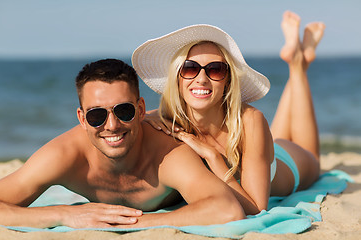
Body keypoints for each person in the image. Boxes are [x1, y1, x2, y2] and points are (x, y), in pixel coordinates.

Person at [0, 59, 244, 228]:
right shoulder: (64, 155)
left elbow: (227, 209)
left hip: (244, 163)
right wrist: (64, 214)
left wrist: (132, 224)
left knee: (281, 152)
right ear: (82, 119)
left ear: (140, 110)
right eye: (97, 115)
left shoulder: (168, 155)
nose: (112, 125)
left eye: (124, 111)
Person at [132, 11, 326, 215]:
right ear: (177, 78)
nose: (201, 78)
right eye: (190, 68)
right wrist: (145, 119)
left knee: (312, 156)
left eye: (215, 69)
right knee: (272, 136)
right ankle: (297, 60)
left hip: (289, 164)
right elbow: (132, 120)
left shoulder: (251, 120)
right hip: (259, 151)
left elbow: (257, 209)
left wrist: (213, 157)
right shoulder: (165, 119)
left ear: (228, 81)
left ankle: (298, 66)